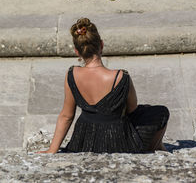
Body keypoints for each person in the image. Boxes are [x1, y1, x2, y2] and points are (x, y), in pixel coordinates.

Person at [38, 18, 170, 154]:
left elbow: (66, 116)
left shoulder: (71, 74)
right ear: (101, 45)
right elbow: (132, 109)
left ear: (77, 52)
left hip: (84, 138)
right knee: (160, 112)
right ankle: (157, 147)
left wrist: (52, 150)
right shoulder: (121, 77)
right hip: (118, 139)